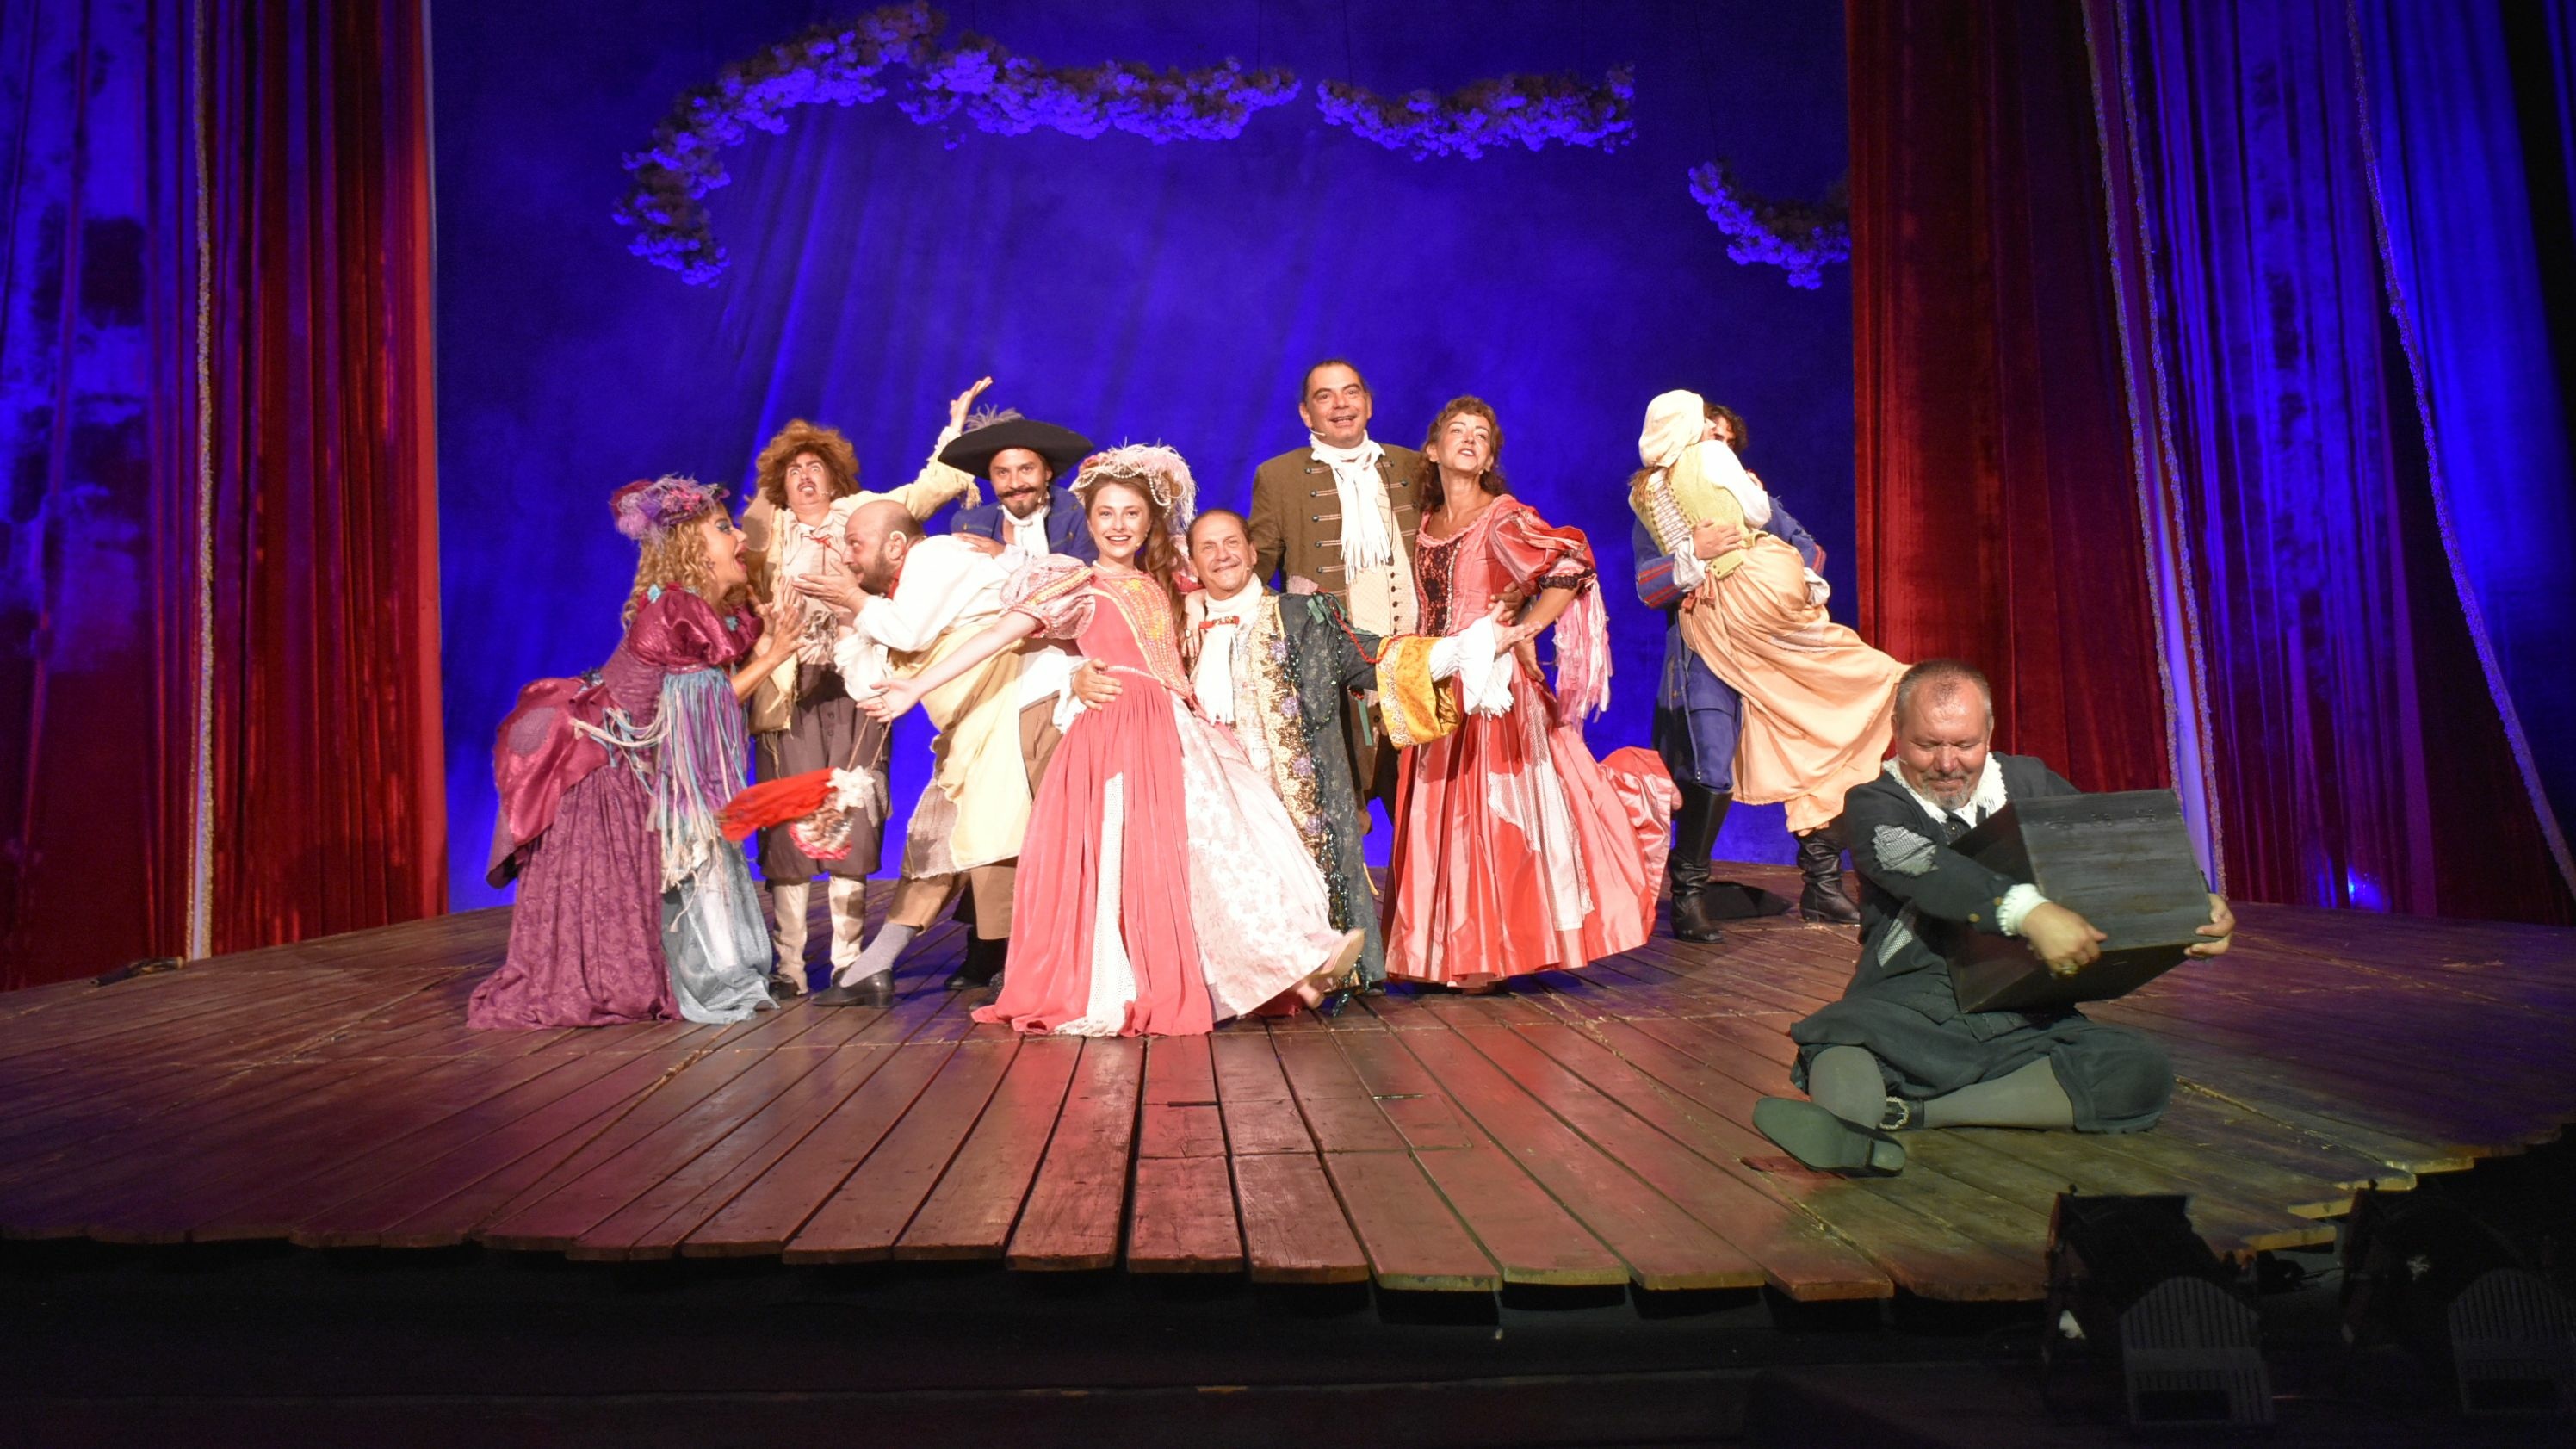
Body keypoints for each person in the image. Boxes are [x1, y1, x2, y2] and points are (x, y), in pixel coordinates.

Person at [862, 445, 1365, 1036]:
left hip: (1178, 724)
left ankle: (1285, 965)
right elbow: (1002, 633)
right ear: (1089, 520)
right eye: (1106, 513)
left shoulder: (1159, 584)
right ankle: (1287, 966)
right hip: (1122, 729)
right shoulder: (1077, 581)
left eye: (1131, 514)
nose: (1119, 525)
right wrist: (916, 685)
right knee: (1192, 852)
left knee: (1233, 843)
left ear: (1149, 524)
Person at [1752, 660, 2237, 1175]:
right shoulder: (1873, 802)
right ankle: (1849, 1136)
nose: (1947, 764)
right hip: (1911, 1005)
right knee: (1842, 1044)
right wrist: (2029, 912)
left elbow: (2105, 845)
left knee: (2139, 1070)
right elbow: (1923, 865)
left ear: (1989, 732)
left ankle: (1909, 1113)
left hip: (2020, 1011)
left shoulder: (2027, 781)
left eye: (1964, 745)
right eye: (1926, 745)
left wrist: (2189, 902)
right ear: (1896, 733)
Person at [471, 475, 797, 1029]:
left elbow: (702, 697)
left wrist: (765, 638)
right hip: (605, 773)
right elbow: (697, 713)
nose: (740, 536)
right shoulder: (676, 612)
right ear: (695, 548)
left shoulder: (700, 609)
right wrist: (773, 657)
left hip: (635, 767)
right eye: (725, 528)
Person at [1384, 396, 1671, 990]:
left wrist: (1527, 627)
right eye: (1457, 430)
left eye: (1481, 434)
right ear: (1431, 450)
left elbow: (1570, 563)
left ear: (1491, 458)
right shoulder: (1425, 524)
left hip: (1494, 690)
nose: (1470, 439)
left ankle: (1489, 952)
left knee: (1488, 815)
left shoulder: (1502, 516)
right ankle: (1444, 952)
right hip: (1439, 683)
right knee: (1443, 814)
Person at [776, 495, 1110, 1005]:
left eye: (855, 544)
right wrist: (848, 617)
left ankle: (1026, 968)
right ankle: (874, 967)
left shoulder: (937, 557)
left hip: (1023, 704)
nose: (847, 557)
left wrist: (854, 601)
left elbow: (909, 631)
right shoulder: (888, 603)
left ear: (895, 545)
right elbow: (871, 688)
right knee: (935, 840)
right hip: (974, 727)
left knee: (998, 837)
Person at [1169, 508, 1499, 990]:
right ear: (1194, 564)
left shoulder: (1300, 616)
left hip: (1296, 795)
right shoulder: (1179, 629)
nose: (1223, 555)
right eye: (1208, 548)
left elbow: (1369, 655)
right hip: (1224, 793)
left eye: (1232, 543)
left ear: (1253, 553)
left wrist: (1464, 649)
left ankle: (1317, 970)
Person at [736, 384, 988, 994]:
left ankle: (847, 958)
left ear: (835, 476)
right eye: (794, 470)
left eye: (815, 467)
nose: (805, 478)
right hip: (789, 690)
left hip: (857, 681)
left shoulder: (864, 514)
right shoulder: (767, 531)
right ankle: (790, 966)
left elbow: (930, 488)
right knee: (789, 817)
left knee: (854, 812)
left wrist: (955, 428)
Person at [1629, 389, 1901, 921]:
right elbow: (1647, 585)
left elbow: (1809, 549)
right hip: (1708, 652)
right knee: (1711, 766)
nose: (1717, 443)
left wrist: (1789, 578)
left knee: (1821, 747)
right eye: (1711, 433)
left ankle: (1822, 884)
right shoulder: (1660, 499)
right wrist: (1694, 554)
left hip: (1772, 646)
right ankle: (1689, 894)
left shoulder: (1744, 492)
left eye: (1727, 440)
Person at [1248, 359, 1426, 808]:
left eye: (1351, 392)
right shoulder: (1279, 476)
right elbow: (1257, 564)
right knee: (1345, 818)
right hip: (1336, 680)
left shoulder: (1412, 466)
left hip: (1414, 669)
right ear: (1306, 413)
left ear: (1368, 403)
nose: (1341, 405)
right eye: (1324, 396)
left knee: (1423, 815)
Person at [944, 412, 1102, 562]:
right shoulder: (969, 524)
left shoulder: (1079, 514)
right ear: (991, 478)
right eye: (1003, 472)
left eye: (1026, 469)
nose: (1015, 484)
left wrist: (1007, 556)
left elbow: (1085, 577)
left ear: (1047, 472)